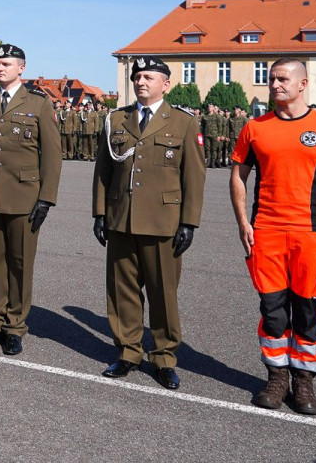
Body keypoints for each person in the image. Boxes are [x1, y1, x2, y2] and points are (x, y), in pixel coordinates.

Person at [230, 59, 316, 416]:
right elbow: (238, 176)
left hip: (312, 234)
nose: (275, 84)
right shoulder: (254, 128)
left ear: (303, 83)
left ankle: (304, 381)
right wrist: (243, 222)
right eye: (271, 78)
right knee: (272, 312)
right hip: (267, 233)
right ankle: (276, 377)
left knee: (307, 311)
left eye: (283, 78)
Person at [93, 57, 204, 389]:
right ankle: (128, 352)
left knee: (163, 294)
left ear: (165, 84)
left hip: (163, 222)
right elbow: (103, 170)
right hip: (121, 219)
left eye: (149, 77)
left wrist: (189, 223)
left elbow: (194, 177)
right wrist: (100, 213)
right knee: (122, 292)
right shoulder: (116, 119)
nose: (141, 82)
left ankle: (164, 358)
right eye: (137, 76)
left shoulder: (184, 122)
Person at [0, 44, 61, 355]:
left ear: (22, 68)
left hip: (24, 198)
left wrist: (46, 198)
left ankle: (15, 326)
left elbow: (52, 156)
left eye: (6, 63)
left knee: (19, 264)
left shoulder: (39, 104)